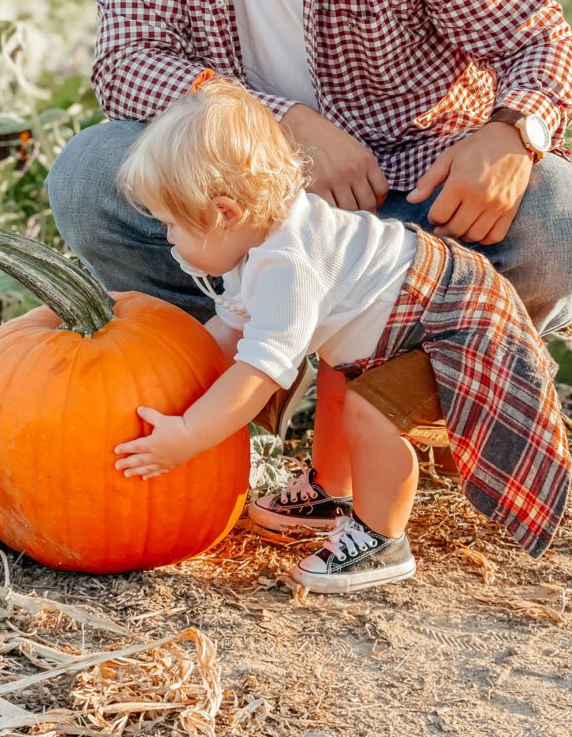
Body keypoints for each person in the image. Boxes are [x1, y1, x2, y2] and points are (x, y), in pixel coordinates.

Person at [47, 0, 572, 462]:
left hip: (406, 215)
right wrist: (280, 124)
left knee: (555, 213)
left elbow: (538, 41)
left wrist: (512, 131)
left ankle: (397, 400)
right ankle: (237, 389)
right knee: (92, 174)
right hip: (241, 211)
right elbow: (126, 59)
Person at [111, 75, 570, 592]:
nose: (169, 240)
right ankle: (334, 493)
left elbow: (260, 370)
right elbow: (231, 329)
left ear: (224, 213)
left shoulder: (288, 261)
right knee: (338, 378)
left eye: (172, 225)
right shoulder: (256, 237)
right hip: (404, 317)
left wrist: (190, 436)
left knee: (370, 409)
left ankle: (382, 540)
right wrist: (165, 369)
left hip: (454, 320)